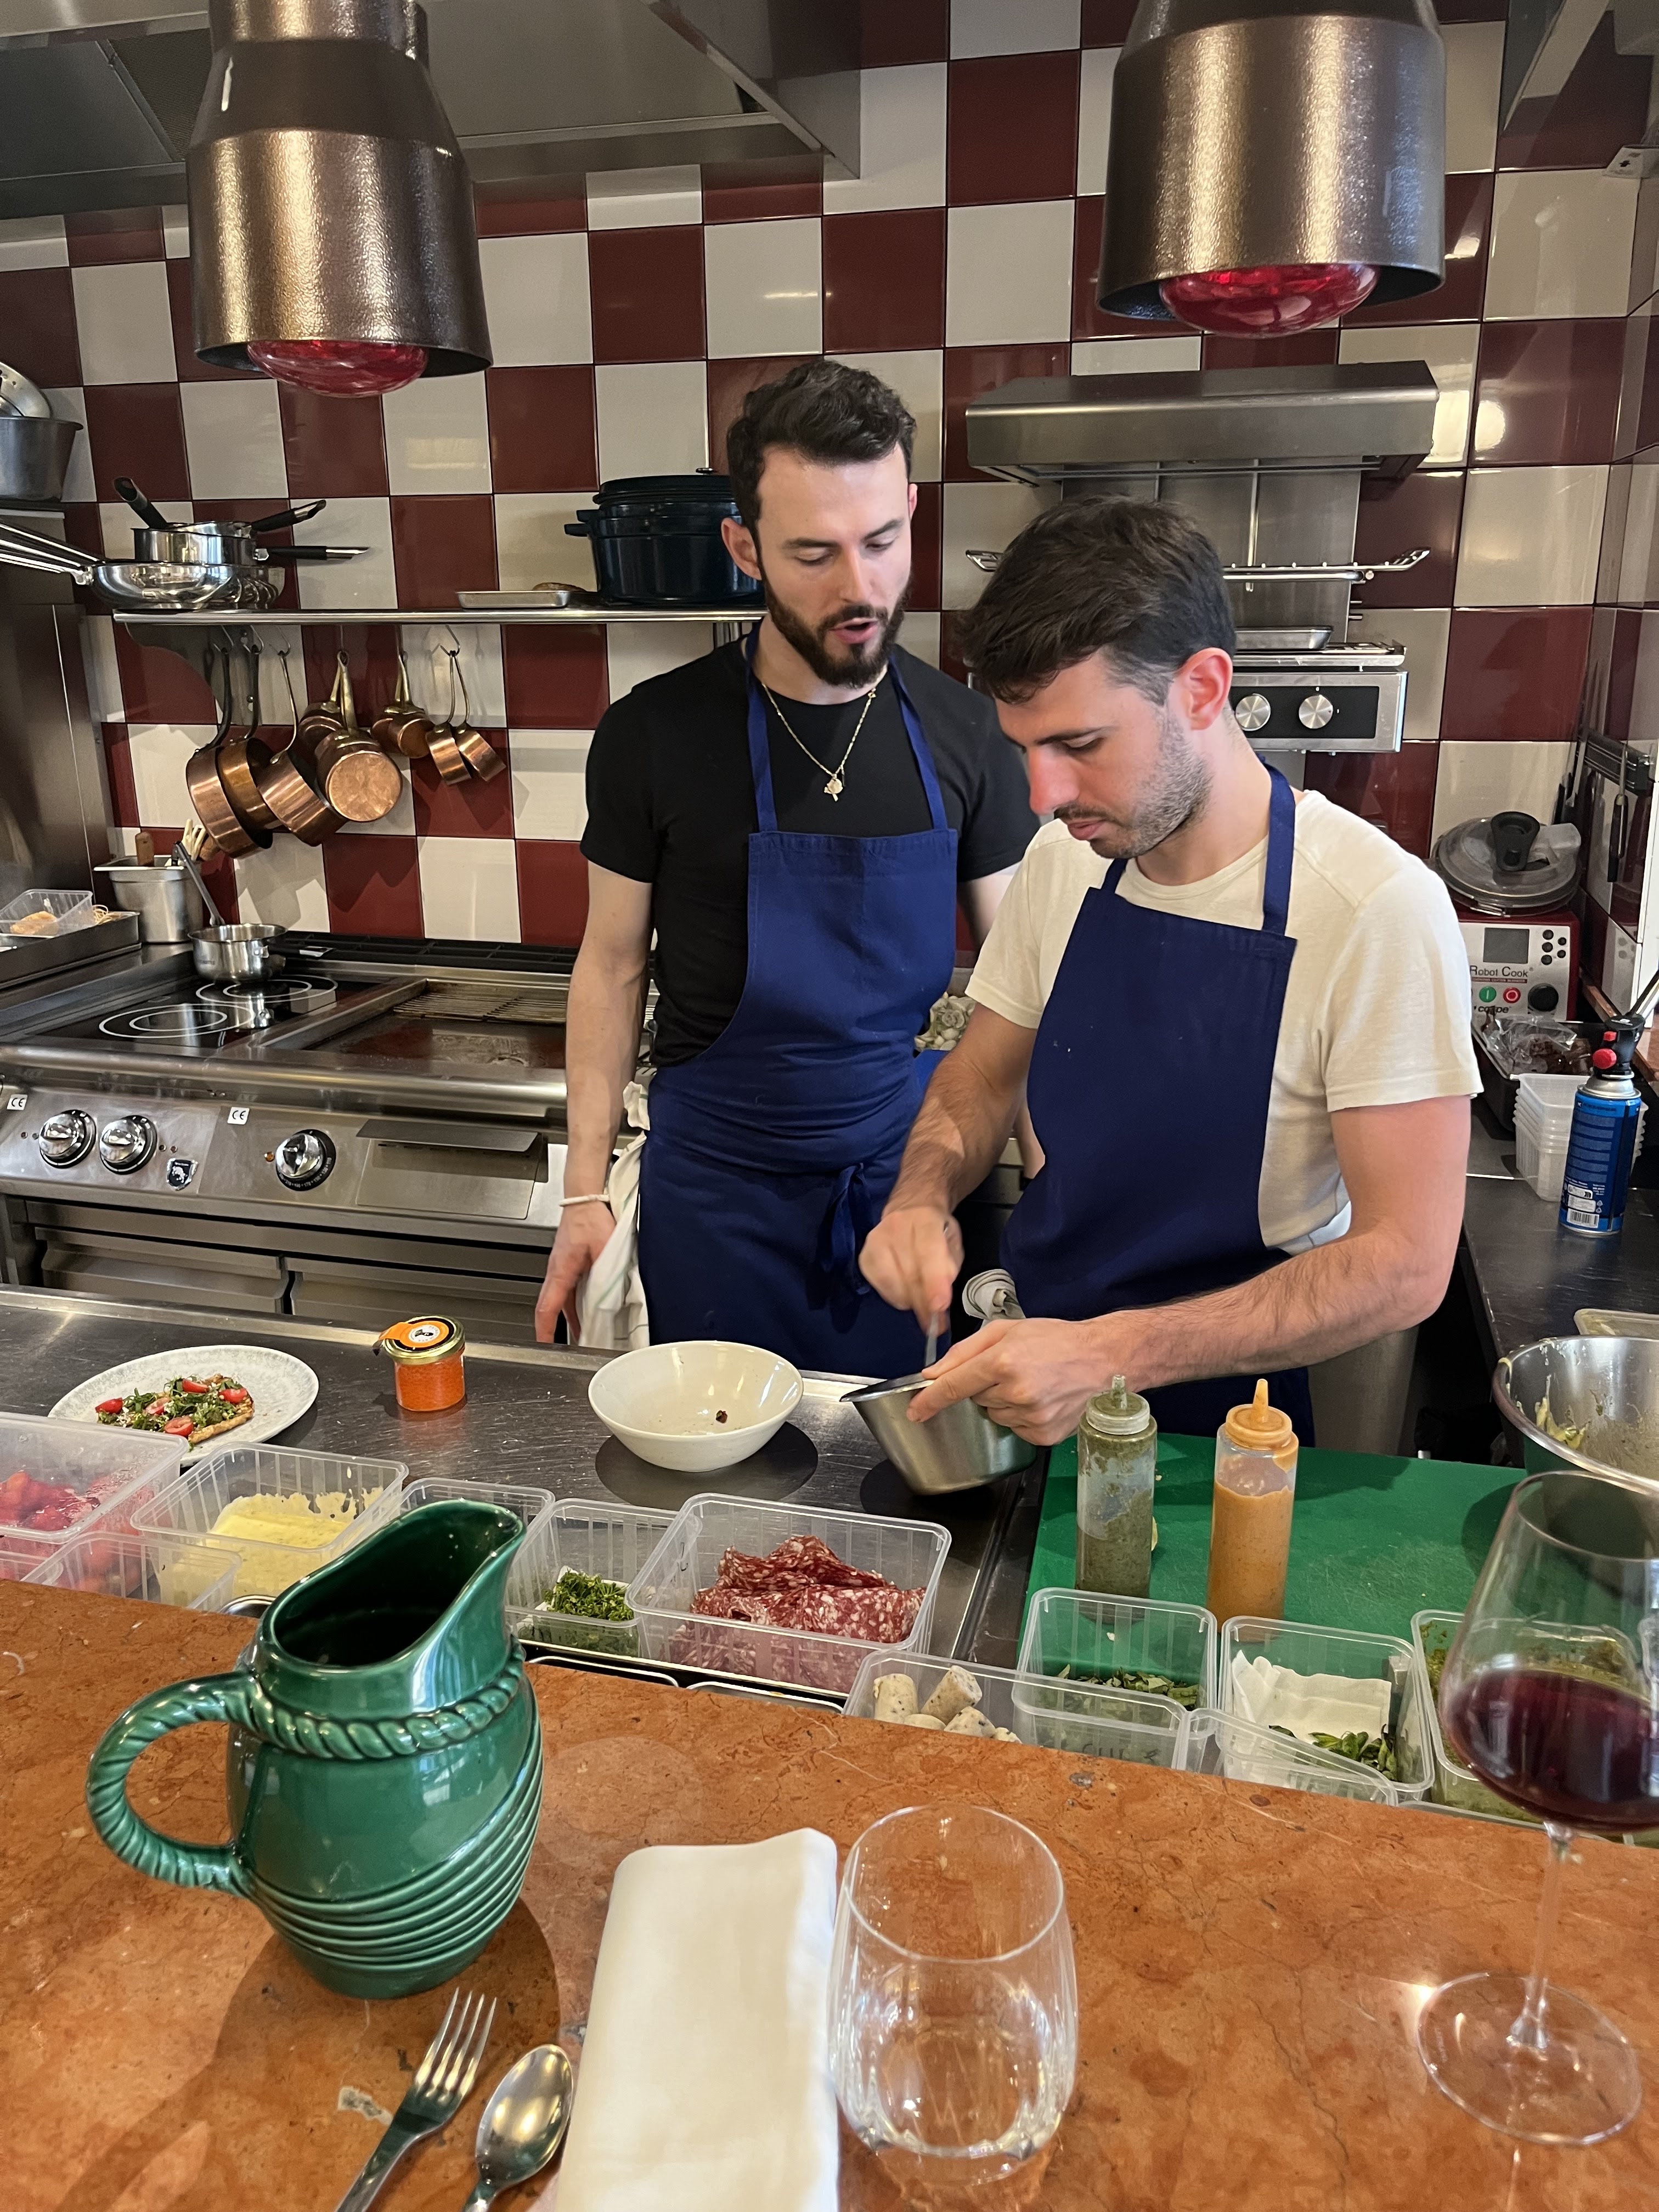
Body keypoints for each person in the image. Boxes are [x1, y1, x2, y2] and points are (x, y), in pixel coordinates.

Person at [858, 495, 1478, 1444]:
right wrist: (920, 1195)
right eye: (1026, 750)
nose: (1044, 794)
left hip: (1235, 1423)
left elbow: (1405, 1262)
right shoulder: (1062, 866)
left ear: (1201, 689)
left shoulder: (1373, 909)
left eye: (1081, 745)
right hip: (1037, 1378)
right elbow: (980, 1077)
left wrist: (1109, 1355)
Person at [535, 360, 1037, 1368]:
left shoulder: (971, 734)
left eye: (882, 542)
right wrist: (584, 1192)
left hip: (899, 1204)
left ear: (910, 512)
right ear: (744, 548)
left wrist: (1051, 1191)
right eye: (814, 554)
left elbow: (1021, 991)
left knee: (884, 1459)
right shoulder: (655, 733)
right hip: (715, 1198)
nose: (859, 589)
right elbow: (612, 966)